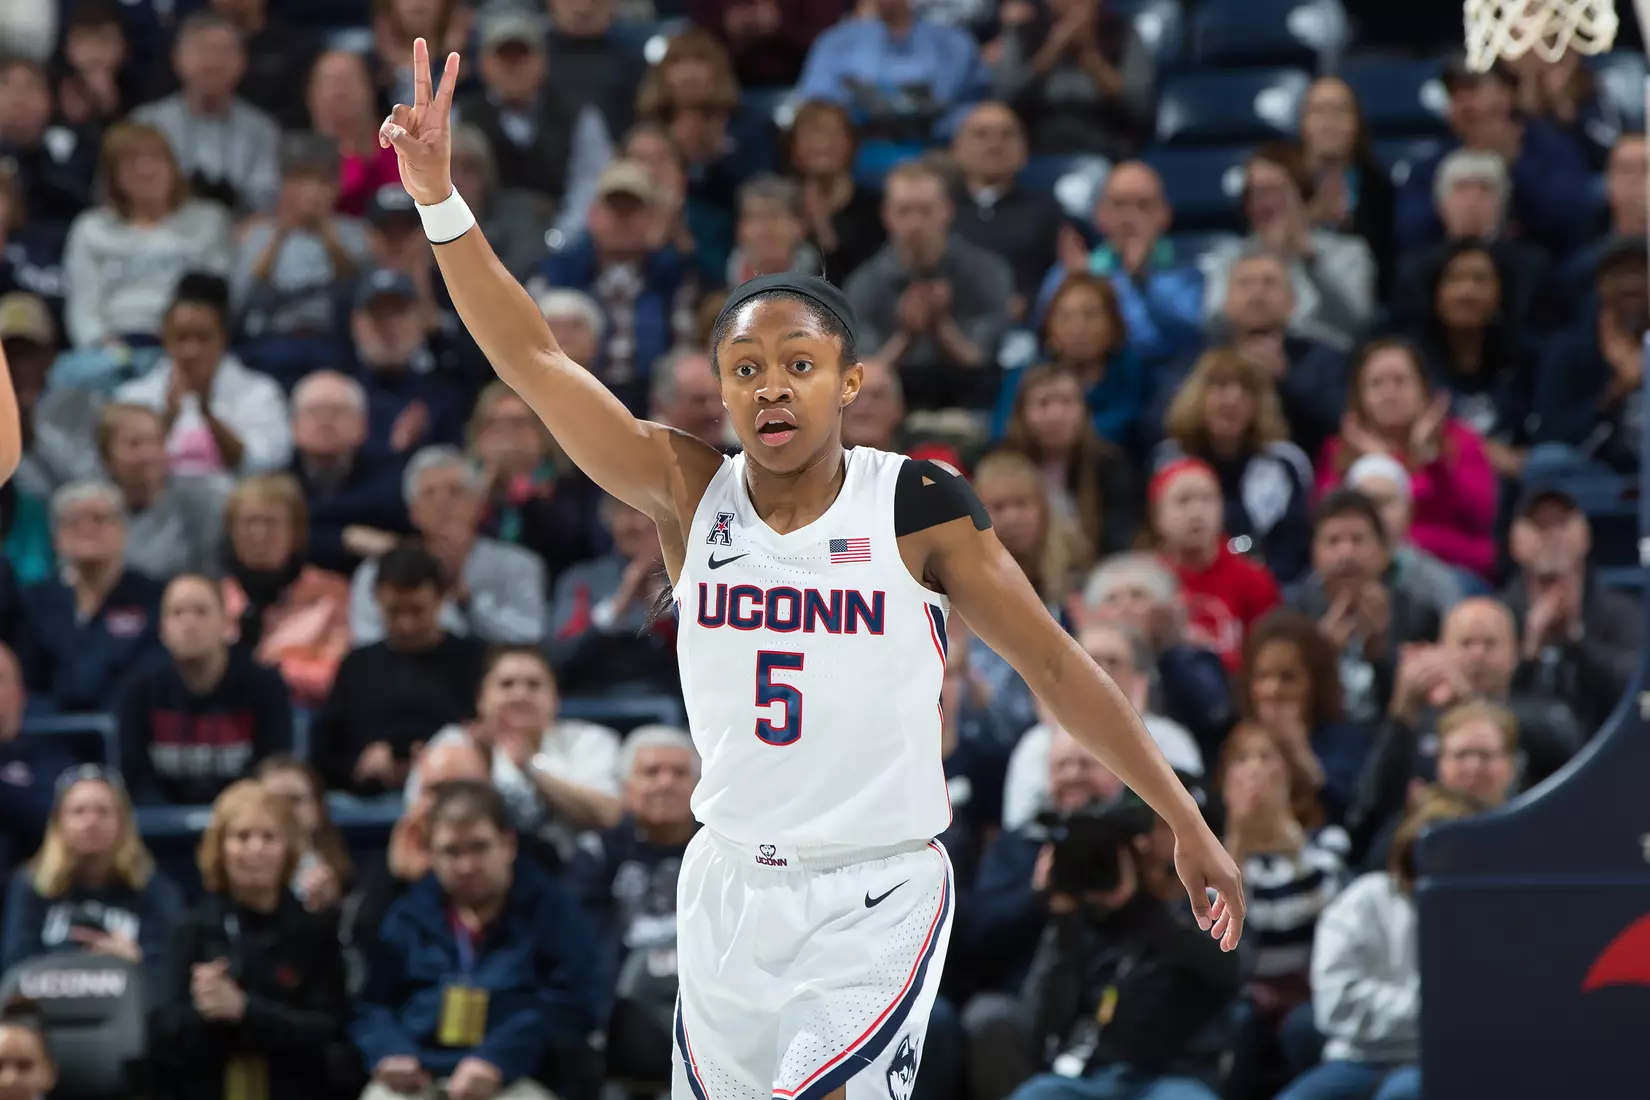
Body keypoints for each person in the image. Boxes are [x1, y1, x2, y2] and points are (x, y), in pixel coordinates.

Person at [377, 42, 1243, 1100]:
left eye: (799, 365)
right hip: (730, 882)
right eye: (746, 369)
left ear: (850, 383)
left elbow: (1058, 671)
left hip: (874, 887)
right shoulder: (687, 487)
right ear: (723, 390)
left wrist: (1183, 817)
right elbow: (537, 361)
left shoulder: (916, 502)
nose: (772, 388)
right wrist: (441, 203)